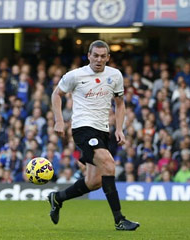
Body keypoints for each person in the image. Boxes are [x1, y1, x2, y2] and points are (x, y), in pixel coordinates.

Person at [50, 40, 139, 231]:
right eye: (95, 55)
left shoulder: (115, 75)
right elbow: (56, 94)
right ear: (89, 55)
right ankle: (119, 220)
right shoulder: (75, 75)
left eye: (103, 56)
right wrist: (59, 120)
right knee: (108, 164)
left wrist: (119, 128)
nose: (99, 59)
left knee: (94, 182)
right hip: (82, 128)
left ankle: (57, 198)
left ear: (108, 57)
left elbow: (120, 103)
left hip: (102, 130)